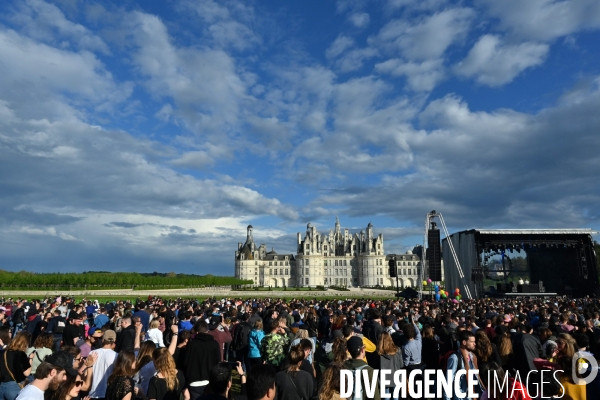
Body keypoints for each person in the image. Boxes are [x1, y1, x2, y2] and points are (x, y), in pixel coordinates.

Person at [183, 320, 221, 399]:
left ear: (196, 332)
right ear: (207, 331)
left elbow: (185, 362)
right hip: (210, 380)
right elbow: (218, 362)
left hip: (194, 381)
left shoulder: (192, 344)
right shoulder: (214, 344)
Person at [443, 330, 483, 400]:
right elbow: (449, 380)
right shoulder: (455, 358)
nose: (475, 344)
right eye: (472, 342)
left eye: (474, 341)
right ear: (464, 342)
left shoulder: (473, 357)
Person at [0, 332, 32, 400]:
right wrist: (31, 359)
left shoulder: (3, 352)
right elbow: (27, 373)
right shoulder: (21, 354)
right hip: (14, 386)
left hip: (2, 385)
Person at [88, 330, 118, 400]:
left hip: (92, 392)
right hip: (107, 393)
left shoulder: (92, 353)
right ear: (114, 340)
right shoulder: (116, 356)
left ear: (103, 340)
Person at [378, 332, 402, 400]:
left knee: (386, 397)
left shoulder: (378, 353)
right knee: (395, 396)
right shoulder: (397, 350)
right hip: (396, 376)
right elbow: (401, 364)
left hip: (384, 378)